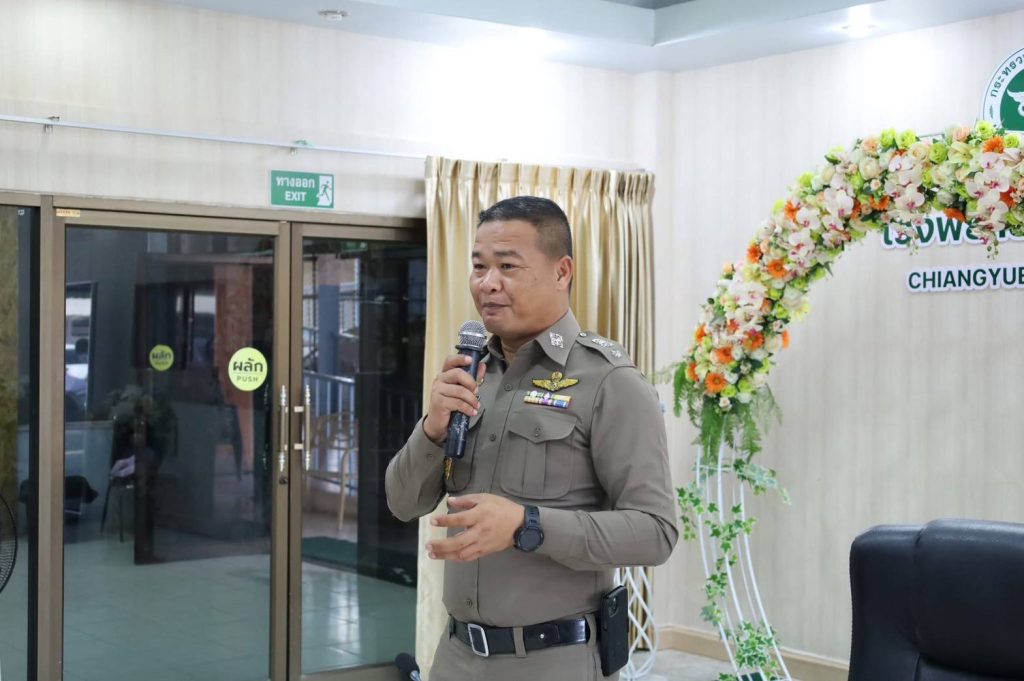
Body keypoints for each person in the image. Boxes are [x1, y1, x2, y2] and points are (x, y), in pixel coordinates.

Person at [385, 196, 678, 681]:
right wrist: (432, 429)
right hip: (457, 656)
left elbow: (656, 532)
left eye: (507, 266)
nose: (487, 283)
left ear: (562, 272)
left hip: (553, 660)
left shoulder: (610, 382)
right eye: (479, 266)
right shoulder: (471, 372)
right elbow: (401, 502)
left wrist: (528, 524)